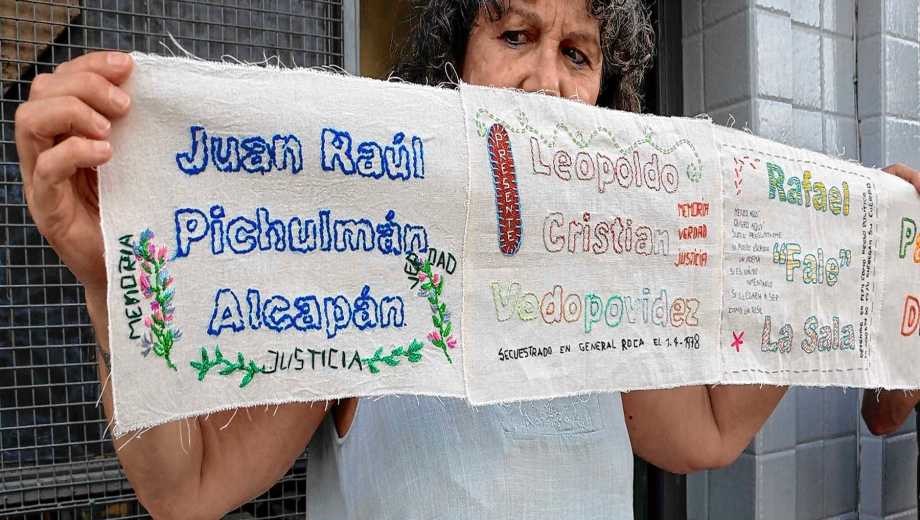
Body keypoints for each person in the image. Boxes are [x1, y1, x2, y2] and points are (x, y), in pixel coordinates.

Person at [14, 1, 920, 518]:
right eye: (515, 36)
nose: (545, 84)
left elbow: (707, 437)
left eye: (578, 53)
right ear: (455, 59)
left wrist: (849, 263)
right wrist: (110, 284)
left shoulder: (619, 275)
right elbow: (188, 488)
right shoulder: (366, 245)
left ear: (608, 90)